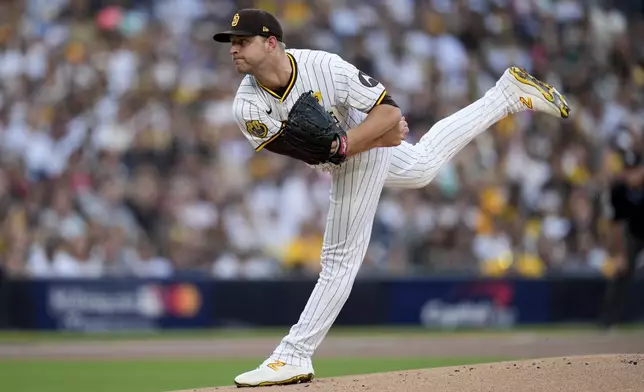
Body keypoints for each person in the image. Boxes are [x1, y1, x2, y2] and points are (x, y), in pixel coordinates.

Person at [213, 8, 570, 387]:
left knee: (338, 261)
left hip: (358, 150)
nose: (233, 49)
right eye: (231, 43)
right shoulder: (247, 106)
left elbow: (389, 111)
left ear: (271, 43)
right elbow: (317, 152)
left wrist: (354, 141)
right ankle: (506, 95)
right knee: (422, 166)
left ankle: (293, 355)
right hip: (351, 150)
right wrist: (368, 139)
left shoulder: (325, 66)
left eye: (242, 41)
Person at [600, 149, 644, 328]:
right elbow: (617, 225)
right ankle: (608, 320)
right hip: (633, 235)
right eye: (627, 169)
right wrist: (620, 255)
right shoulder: (619, 189)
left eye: (635, 169)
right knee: (620, 272)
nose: (631, 174)